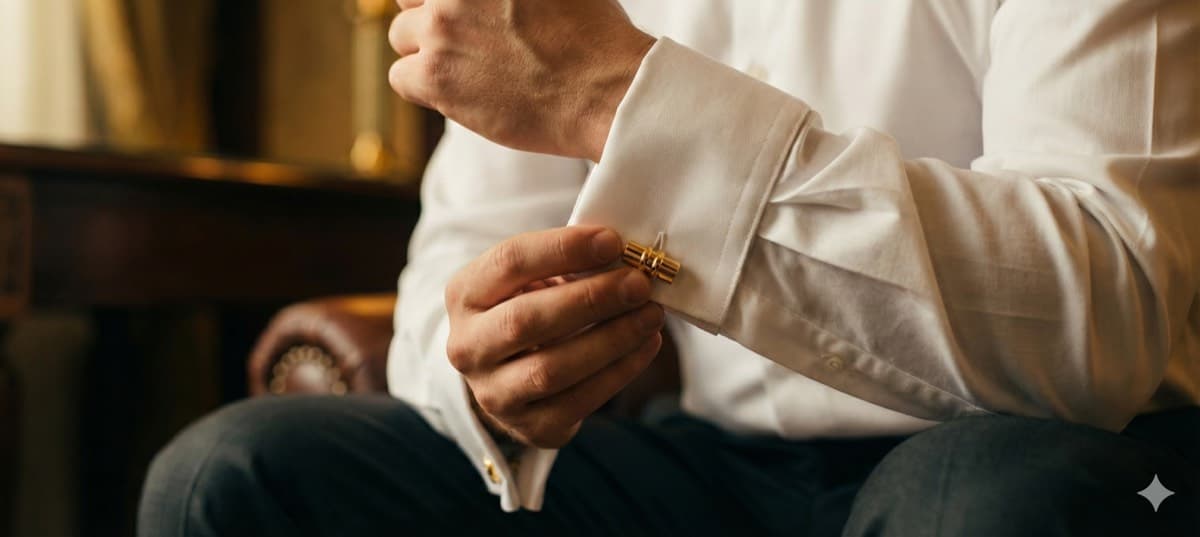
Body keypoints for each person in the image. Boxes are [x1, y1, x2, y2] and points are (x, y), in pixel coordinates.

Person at [139, 1, 1200, 535]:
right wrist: (480, 367)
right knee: (233, 475)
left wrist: (620, 100)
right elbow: (455, 274)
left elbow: (1105, 313)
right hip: (718, 462)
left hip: (1063, 451)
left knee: (988, 502)